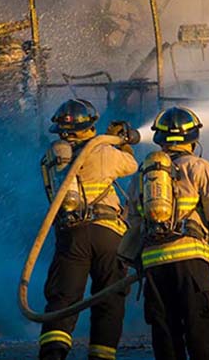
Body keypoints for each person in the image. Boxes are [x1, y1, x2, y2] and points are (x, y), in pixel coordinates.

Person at [120, 106, 209, 360]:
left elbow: (133, 221)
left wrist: (128, 260)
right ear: (193, 139)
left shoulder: (143, 176)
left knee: (166, 333)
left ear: (159, 139)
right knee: (201, 329)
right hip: (190, 263)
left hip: (154, 266)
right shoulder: (198, 167)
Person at [39, 99, 139, 360]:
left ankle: (52, 354)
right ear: (90, 125)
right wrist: (122, 141)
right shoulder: (103, 151)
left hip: (71, 234)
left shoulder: (54, 156)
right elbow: (131, 165)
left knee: (63, 299)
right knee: (109, 296)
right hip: (107, 233)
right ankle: (101, 355)